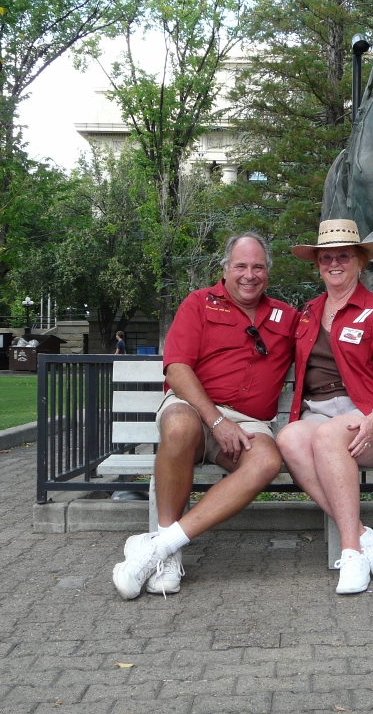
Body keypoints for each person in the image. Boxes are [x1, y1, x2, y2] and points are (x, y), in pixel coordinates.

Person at [111, 232, 299, 599]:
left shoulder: (286, 317)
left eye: (258, 267)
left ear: (268, 272)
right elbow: (177, 369)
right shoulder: (199, 303)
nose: (249, 274)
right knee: (179, 428)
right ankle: (168, 550)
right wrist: (215, 420)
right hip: (193, 407)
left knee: (265, 461)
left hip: (248, 422)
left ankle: (160, 547)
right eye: (241, 266)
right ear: (226, 269)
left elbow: (327, 344)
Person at [277, 219, 373, 595]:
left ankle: (351, 553)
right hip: (320, 411)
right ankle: (364, 536)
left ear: (360, 262)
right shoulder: (309, 312)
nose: (334, 264)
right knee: (290, 439)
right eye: (326, 257)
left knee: (329, 439)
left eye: (343, 256)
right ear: (317, 265)